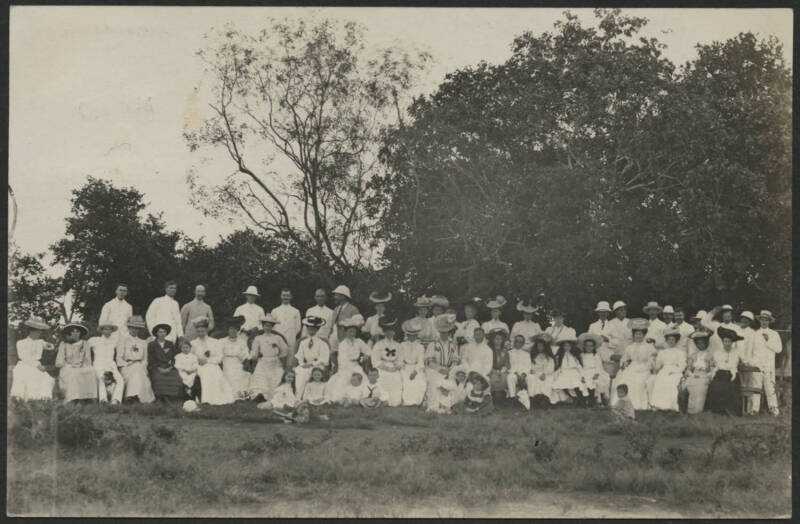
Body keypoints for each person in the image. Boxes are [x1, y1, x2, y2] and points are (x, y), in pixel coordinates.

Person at [610, 318, 655, 410]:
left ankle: (636, 404)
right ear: (633, 335)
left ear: (644, 335)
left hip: (643, 368)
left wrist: (645, 367)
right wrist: (624, 364)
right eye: (636, 334)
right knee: (623, 380)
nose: (638, 336)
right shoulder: (630, 347)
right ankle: (621, 403)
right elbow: (624, 358)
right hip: (631, 368)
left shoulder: (649, 347)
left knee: (638, 382)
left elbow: (651, 361)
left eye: (640, 334)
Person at [10, 316, 57, 400]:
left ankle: (41, 398)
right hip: (24, 364)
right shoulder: (21, 343)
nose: (39, 333)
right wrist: (37, 366)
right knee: (26, 375)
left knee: (46, 378)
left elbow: (51, 347)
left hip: (37, 364)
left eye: (40, 331)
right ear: (31, 331)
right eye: (37, 331)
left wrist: (50, 344)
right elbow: (24, 357)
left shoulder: (40, 342)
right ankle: (24, 397)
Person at [191, 317, 235, 405]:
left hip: (212, 364)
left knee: (214, 372)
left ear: (207, 330)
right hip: (198, 366)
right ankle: (205, 398)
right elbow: (190, 357)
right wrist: (197, 360)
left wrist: (208, 361)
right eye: (198, 331)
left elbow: (219, 357)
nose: (200, 333)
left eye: (202, 331)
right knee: (205, 372)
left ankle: (214, 398)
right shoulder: (193, 343)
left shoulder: (215, 342)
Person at [326, 315, 369, 403]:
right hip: (345, 366)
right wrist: (350, 370)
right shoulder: (343, 344)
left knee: (362, 377)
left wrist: (363, 357)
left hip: (356, 365)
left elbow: (368, 351)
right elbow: (342, 360)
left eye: (353, 332)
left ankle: (360, 397)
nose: (352, 334)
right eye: (350, 332)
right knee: (345, 379)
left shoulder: (359, 341)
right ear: (346, 333)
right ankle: (344, 398)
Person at [423, 314, 460, 411]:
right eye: (442, 332)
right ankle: (434, 405)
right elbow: (428, 360)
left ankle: (446, 404)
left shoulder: (453, 345)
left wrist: (450, 369)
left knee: (451, 386)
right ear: (439, 332)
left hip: (449, 370)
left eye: (446, 332)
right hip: (435, 370)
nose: (444, 334)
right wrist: (439, 369)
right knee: (435, 384)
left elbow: (455, 359)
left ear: (449, 333)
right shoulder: (433, 344)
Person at [249, 313, 289, 402]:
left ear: (272, 327)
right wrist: (255, 356)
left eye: (270, 326)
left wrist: (278, 356)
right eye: (266, 326)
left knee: (277, 377)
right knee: (261, 377)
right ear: (263, 326)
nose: (267, 328)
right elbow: (254, 352)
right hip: (263, 361)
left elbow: (285, 350)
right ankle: (261, 395)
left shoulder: (277, 337)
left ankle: (276, 396)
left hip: (275, 361)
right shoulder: (258, 338)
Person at [115, 315, 155, 403]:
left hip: (140, 366)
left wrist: (142, 366)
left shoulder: (143, 342)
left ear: (139, 329)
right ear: (129, 328)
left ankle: (133, 396)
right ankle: (133, 396)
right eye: (132, 328)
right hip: (127, 367)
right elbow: (119, 358)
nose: (134, 330)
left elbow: (145, 359)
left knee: (138, 369)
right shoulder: (123, 340)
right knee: (135, 370)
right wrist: (127, 364)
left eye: (137, 328)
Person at [55, 323, 97, 403]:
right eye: (73, 331)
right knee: (72, 373)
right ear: (69, 333)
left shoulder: (85, 343)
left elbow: (87, 360)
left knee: (91, 371)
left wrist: (82, 366)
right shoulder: (64, 344)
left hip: (81, 366)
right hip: (67, 367)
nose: (75, 333)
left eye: (77, 331)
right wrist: (70, 365)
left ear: (81, 333)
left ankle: (88, 398)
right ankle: (71, 398)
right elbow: (59, 361)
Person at [705, 326, 743, 416]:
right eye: (725, 341)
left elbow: (733, 365)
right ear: (722, 342)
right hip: (720, 373)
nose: (727, 344)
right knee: (715, 387)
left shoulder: (736, 352)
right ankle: (718, 411)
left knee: (731, 388)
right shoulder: (718, 352)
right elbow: (718, 364)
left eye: (729, 341)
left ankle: (731, 411)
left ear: (732, 342)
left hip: (731, 374)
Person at [85, 322, 125, 404]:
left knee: (120, 380)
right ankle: (103, 400)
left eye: (110, 329)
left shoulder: (115, 341)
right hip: (99, 365)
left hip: (111, 366)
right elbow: (84, 348)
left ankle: (116, 400)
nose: (108, 331)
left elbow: (123, 350)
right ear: (102, 331)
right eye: (106, 329)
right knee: (101, 378)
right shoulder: (94, 340)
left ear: (112, 331)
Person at [752, 310, 782, 416]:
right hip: (757, 366)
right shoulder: (754, 334)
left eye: (766, 320)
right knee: (756, 388)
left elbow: (779, 349)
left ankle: (774, 410)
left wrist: (768, 341)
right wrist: (754, 363)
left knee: (770, 389)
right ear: (759, 321)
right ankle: (754, 410)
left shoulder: (774, 334)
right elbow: (752, 350)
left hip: (769, 366)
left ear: (769, 321)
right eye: (762, 319)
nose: (764, 322)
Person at [648, 328, 686, 412]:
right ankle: (658, 404)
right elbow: (657, 367)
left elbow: (682, 366)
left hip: (675, 371)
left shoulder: (680, 352)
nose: (671, 341)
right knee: (659, 380)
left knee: (671, 381)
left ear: (676, 341)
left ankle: (670, 405)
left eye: (673, 339)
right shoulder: (662, 353)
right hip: (664, 370)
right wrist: (652, 360)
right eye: (669, 339)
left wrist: (674, 372)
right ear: (666, 341)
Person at [370, 316, 403, 407]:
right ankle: (384, 400)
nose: (390, 333)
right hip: (382, 367)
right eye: (387, 331)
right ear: (384, 332)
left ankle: (394, 401)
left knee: (397, 378)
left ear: (394, 332)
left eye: (391, 331)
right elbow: (375, 360)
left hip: (394, 367)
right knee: (383, 377)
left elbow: (400, 359)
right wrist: (387, 368)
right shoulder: (379, 344)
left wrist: (395, 367)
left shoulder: (398, 345)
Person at [294, 316, 331, 396]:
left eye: (313, 329)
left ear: (317, 329)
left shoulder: (322, 343)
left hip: (318, 366)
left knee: (311, 373)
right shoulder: (303, 342)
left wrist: (313, 364)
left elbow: (324, 359)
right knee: (300, 374)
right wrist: (302, 364)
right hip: (305, 365)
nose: (311, 331)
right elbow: (299, 356)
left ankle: (311, 397)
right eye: (309, 329)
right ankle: (298, 397)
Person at [147, 324, 184, 401]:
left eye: (164, 332)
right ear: (156, 333)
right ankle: (161, 397)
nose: (162, 334)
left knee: (176, 377)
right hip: (156, 367)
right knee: (159, 378)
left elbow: (174, 358)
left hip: (168, 367)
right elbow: (151, 359)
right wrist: (159, 368)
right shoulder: (151, 345)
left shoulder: (170, 344)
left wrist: (170, 367)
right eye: (160, 332)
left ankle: (173, 397)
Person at [682, 330, 715, 414]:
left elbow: (712, 369)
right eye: (699, 343)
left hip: (704, 375)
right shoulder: (693, 355)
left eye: (703, 343)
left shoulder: (710, 355)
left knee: (700, 387)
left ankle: (698, 410)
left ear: (706, 343)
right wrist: (692, 375)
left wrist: (707, 375)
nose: (701, 345)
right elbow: (688, 369)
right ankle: (690, 410)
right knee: (691, 384)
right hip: (694, 374)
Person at [736, 311, 761, 415]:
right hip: (738, 363)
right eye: (743, 318)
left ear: (750, 322)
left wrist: (750, 362)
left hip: (750, 363)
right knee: (741, 386)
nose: (744, 321)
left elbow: (756, 350)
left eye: (747, 319)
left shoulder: (753, 334)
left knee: (752, 386)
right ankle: (743, 410)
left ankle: (753, 410)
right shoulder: (736, 331)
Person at [220, 316, 251, 400]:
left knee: (242, 375)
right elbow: (219, 354)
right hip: (226, 362)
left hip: (238, 362)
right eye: (231, 329)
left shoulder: (242, 341)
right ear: (228, 330)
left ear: (237, 331)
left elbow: (245, 353)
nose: (233, 331)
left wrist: (246, 361)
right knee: (229, 376)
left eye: (235, 329)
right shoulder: (222, 341)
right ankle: (230, 394)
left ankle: (241, 394)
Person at [399, 318, 427, 406]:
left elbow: (421, 361)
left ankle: (417, 401)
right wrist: (403, 368)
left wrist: (415, 371)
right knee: (406, 381)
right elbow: (400, 359)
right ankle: (408, 401)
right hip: (405, 367)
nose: (412, 337)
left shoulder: (420, 347)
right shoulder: (402, 345)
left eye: (414, 335)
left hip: (416, 368)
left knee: (420, 381)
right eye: (410, 335)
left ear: (416, 335)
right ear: (407, 335)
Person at [577, 332, 609, 406]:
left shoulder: (596, 355)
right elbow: (580, 366)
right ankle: (587, 399)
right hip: (585, 372)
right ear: (584, 347)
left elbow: (599, 366)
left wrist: (597, 373)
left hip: (595, 371)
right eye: (587, 346)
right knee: (584, 381)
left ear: (594, 347)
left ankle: (597, 398)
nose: (589, 348)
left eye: (591, 346)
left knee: (597, 381)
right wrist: (582, 375)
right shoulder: (582, 355)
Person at [551, 336, 586, 404]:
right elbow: (559, 367)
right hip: (564, 372)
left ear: (571, 347)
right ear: (562, 347)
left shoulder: (574, 355)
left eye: (568, 346)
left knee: (577, 383)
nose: (567, 348)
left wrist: (582, 375)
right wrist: (555, 374)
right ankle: (573, 397)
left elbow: (579, 366)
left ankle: (580, 399)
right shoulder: (560, 356)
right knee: (559, 382)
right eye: (565, 346)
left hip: (574, 372)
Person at [528, 335, 556, 406]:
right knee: (533, 379)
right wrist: (538, 374)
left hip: (546, 374)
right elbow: (531, 367)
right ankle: (535, 397)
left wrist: (544, 373)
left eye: (541, 346)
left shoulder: (549, 357)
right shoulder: (533, 357)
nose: (540, 348)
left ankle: (545, 398)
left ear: (545, 347)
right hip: (536, 374)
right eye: (538, 346)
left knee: (549, 379)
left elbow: (551, 368)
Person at [272, 289, 302, 355]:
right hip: (278, 341)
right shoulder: (275, 311)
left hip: (290, 341)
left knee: (290, 362)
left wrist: (291, 334)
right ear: (281, 296)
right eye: (284, 295)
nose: (285, 297)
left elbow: (298, 327)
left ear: (291, 297)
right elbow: (272, 327)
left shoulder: (296, 311)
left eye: (288, 295)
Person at [506, 334, 533, 409]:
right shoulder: (509, 353)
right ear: (514, 342)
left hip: (524, 374)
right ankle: (512, 398)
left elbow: (528, 366)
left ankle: (531, 398)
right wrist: (516, 374)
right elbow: (508, 366)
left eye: (520, 342)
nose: (518, 343)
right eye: (517, 341)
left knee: (531, 377)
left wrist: (524, 374)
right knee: (510, 377)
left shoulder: (526, 354)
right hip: (514, 373)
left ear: (523, 343)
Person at [606, 301, 631, 375]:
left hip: (629, 353)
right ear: (616, 312)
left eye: (624, 309)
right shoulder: (610, 323)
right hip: (616, 354)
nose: (623, 311)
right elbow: (607, 339)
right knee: (617, 375)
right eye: (620, 310)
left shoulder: (630, 322)